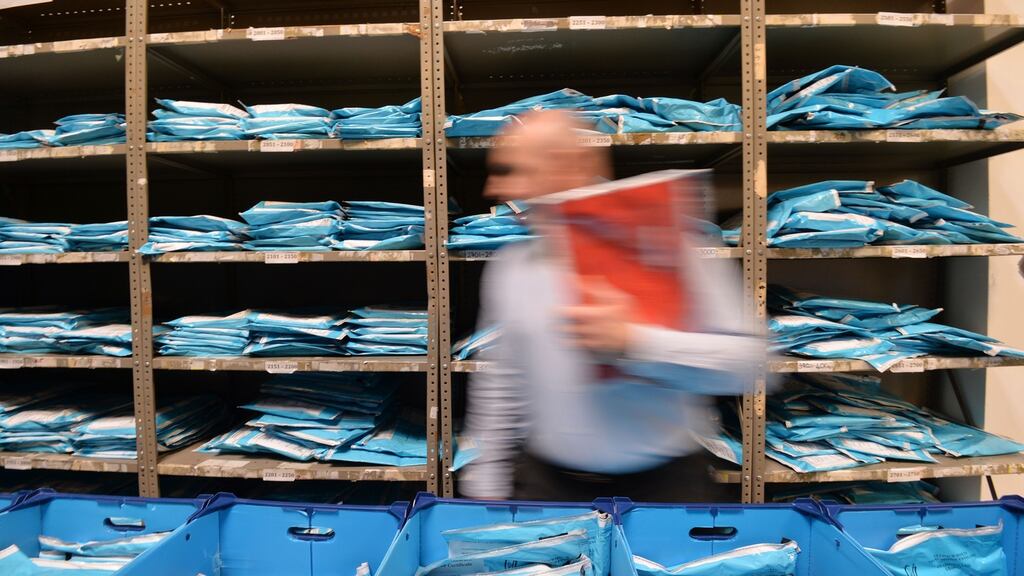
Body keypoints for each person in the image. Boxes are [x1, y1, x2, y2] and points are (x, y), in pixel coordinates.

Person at [459, 110, 764, 502]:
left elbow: (751, 364)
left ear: (572, 165)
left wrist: (636, 344)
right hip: (549, 488)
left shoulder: (676, 247)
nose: (494, 189)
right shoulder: (512, 268)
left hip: (663, 489)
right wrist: (485, 491)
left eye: (511, 170)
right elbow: (501, 387)